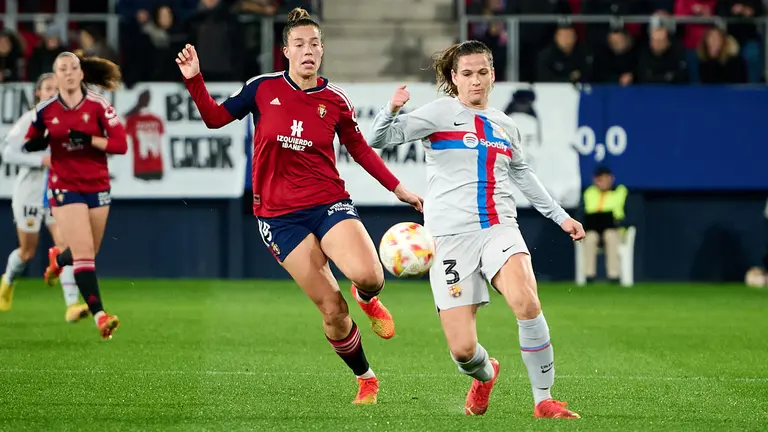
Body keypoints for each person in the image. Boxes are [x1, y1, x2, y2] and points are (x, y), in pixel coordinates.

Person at [176, 7, 423, 405]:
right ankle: (366, 379)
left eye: (314, 44)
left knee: (370, 276)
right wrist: (195, 80)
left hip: (328, 203)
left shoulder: (335, 100)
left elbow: (360, 149)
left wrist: (398, 188)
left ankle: (368, 298)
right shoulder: (261, 88)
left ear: (322, 50)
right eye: (299, 44)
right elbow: (215, 119)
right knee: (333, 310)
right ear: (286, 51)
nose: (308, 50)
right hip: (279, 217)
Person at [369, 40, 585, 419]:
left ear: (493, 75)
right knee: (463, 351)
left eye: (482, 72)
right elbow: (377, 139)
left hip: (498, 227)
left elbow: (522, 173)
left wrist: (560, 216)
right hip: (449, 239)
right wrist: (391, 110)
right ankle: (485, 375)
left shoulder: (506, 125)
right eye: (467, 74)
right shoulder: (439, 113)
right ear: (455, 78)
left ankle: (544, 399)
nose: (475, 81)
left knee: (527, 302)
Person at [25, 52, 126, 340]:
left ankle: (58, 260)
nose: (68, 73)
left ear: (81, 74)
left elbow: (120, 145)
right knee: (84, 256)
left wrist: (89, 139)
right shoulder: (45, 110)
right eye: (62, 69)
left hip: (97, 185)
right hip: (64, 185)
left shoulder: (98, 105)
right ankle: (101, 316)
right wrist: (40, 141)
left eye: (73, 68)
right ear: (56, 77)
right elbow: (29, 142)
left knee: (88, 252)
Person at [0, 73, 90, 323]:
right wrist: (41, 160)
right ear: (38, 93)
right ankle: (8, 281)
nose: (52, 92)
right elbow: (8, 153)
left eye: (56, 88)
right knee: (27, 252)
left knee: (66, 244)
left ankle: (72, 305)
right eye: (47, 88)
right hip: (29, 192)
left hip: (56, 191)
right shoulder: (30, 120)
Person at [580, 165, 628, 283]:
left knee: (610, 235)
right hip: (593, 230)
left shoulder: (621, 192)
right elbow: (580, 214)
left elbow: (631, 215)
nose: (602, 182)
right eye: (599, 179)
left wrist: (617, 222)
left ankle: (613, 276)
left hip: (615, 230)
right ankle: (589, 276)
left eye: (605, 179)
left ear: (611, 179)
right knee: (590, 238)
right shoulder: (589, 193)